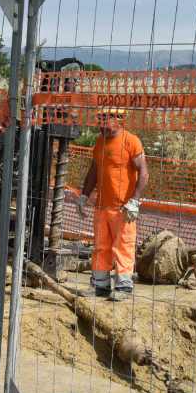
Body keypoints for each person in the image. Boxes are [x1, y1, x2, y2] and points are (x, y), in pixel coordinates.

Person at [75, 107, 148, 301]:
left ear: (119, 119)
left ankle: (123, 287)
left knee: (123, 246)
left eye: (105, 120)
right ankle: (100, 286)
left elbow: (144, 172)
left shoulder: (131, 141)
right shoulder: (100, 142)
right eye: (99, 120)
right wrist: (84, 196)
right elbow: (94, 171)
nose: (101, 125)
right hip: (101, 207)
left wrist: (135, 201)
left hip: (123, 208)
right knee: (101, 247)